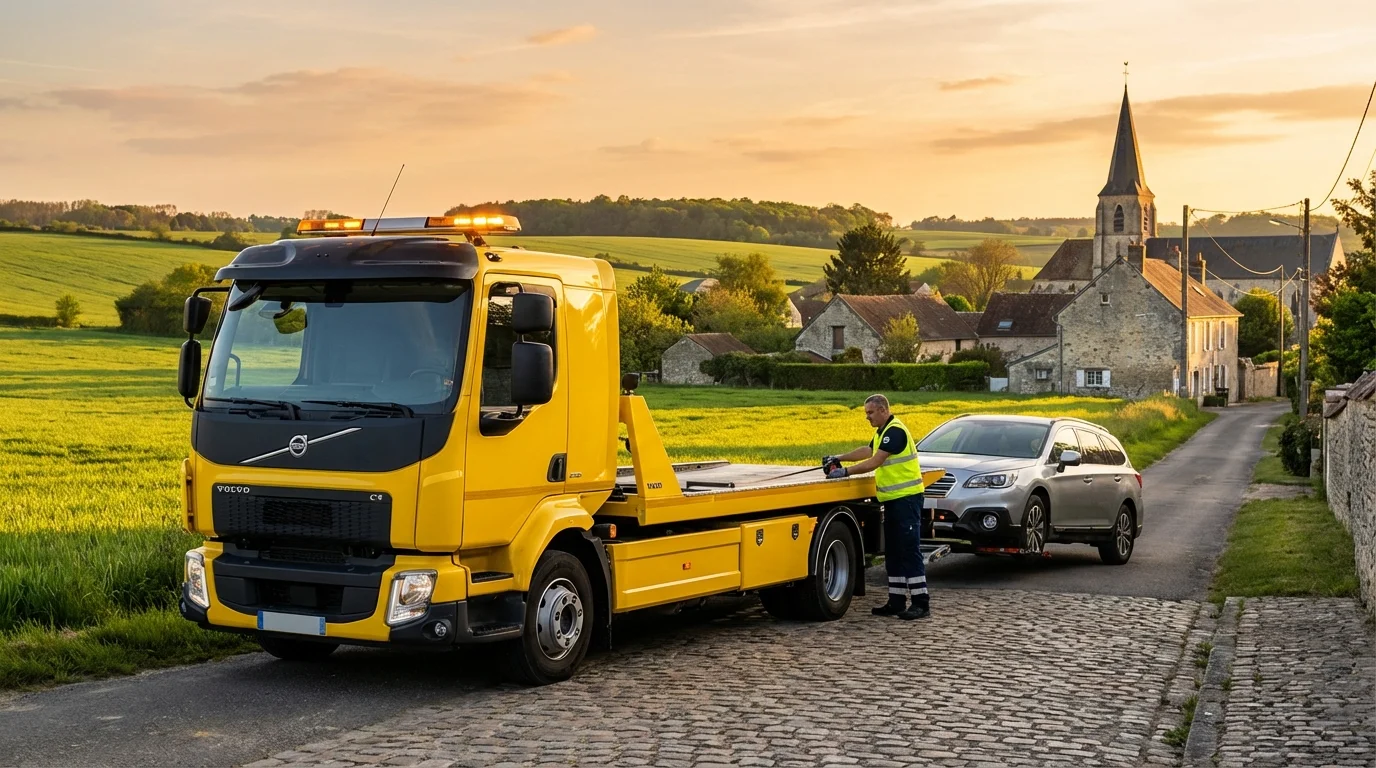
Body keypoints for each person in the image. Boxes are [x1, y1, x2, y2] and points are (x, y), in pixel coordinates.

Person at [824, 394, 929, 620]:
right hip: (893, 500)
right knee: (894, 552)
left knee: (910, 551)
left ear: (883, 410)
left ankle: (921, 602)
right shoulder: (883, 431)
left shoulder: (896, 431)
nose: (867, 417)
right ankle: (897, 601)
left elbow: (875, 461)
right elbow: (868, 451)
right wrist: (839, 457)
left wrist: (845, 472)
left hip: (907, 500)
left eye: (870, 413)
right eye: (866, 413)